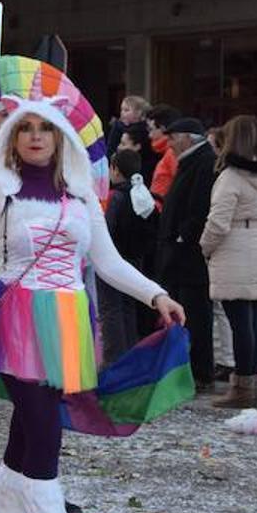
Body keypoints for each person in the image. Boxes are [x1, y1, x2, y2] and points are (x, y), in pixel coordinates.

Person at [0, 97, 184, 513]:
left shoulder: (80, 196)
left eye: (46, 129)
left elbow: (109, 262)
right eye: (25, 128)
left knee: (27, 434)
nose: (36, 136)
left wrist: (157, 295)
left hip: (71, 322)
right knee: (43, 433)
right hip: (14, 322)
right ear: (11, 138)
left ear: (60, 139)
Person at [200, 116, 257, 409]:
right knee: (256, 320)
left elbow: (218, 222)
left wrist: (205, 247)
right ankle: (251, 385)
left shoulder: (232, 176)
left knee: (239, 322)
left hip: (235, 245)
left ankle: (242, 387)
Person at [156, 117, 218, 388]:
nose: (168, 143)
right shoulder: (192, 160)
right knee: (185, 312)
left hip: (189, 253)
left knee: (196, 314)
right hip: (179, 250)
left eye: (173, 137)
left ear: (188, 137)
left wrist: (184, 235)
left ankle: (200, 371)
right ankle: (185, 369)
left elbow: (199, 206)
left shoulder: (203, 161)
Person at [99, 149, 158, 364]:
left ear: (115, 169)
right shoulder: (142, 195)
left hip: (114, 261)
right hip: (136, 260)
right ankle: (130, 354)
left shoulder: (116, 197)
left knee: (111, 309)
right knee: (128, 308)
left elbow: (106, 231)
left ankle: (114, 358)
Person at [145, 104, 181, 202]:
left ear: (163, 129)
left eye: (151, 129)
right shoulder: (169, 152)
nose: (149, 135)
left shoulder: (172, 153)